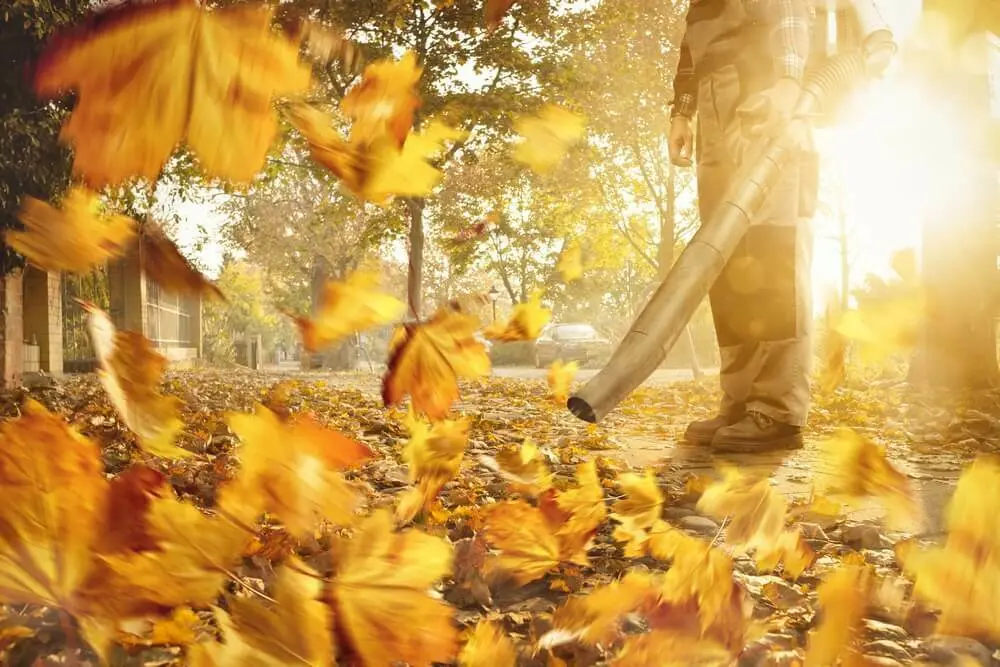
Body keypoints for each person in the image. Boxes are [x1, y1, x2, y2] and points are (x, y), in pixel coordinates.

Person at [668, 0, 818, 453]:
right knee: (726, 257)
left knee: (772, 248)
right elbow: (691, 49)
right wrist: (682, 110)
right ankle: (738, 401)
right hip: (716, 100)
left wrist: (790, 80)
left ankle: (777, 408)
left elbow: (792, 10)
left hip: (764, 92)